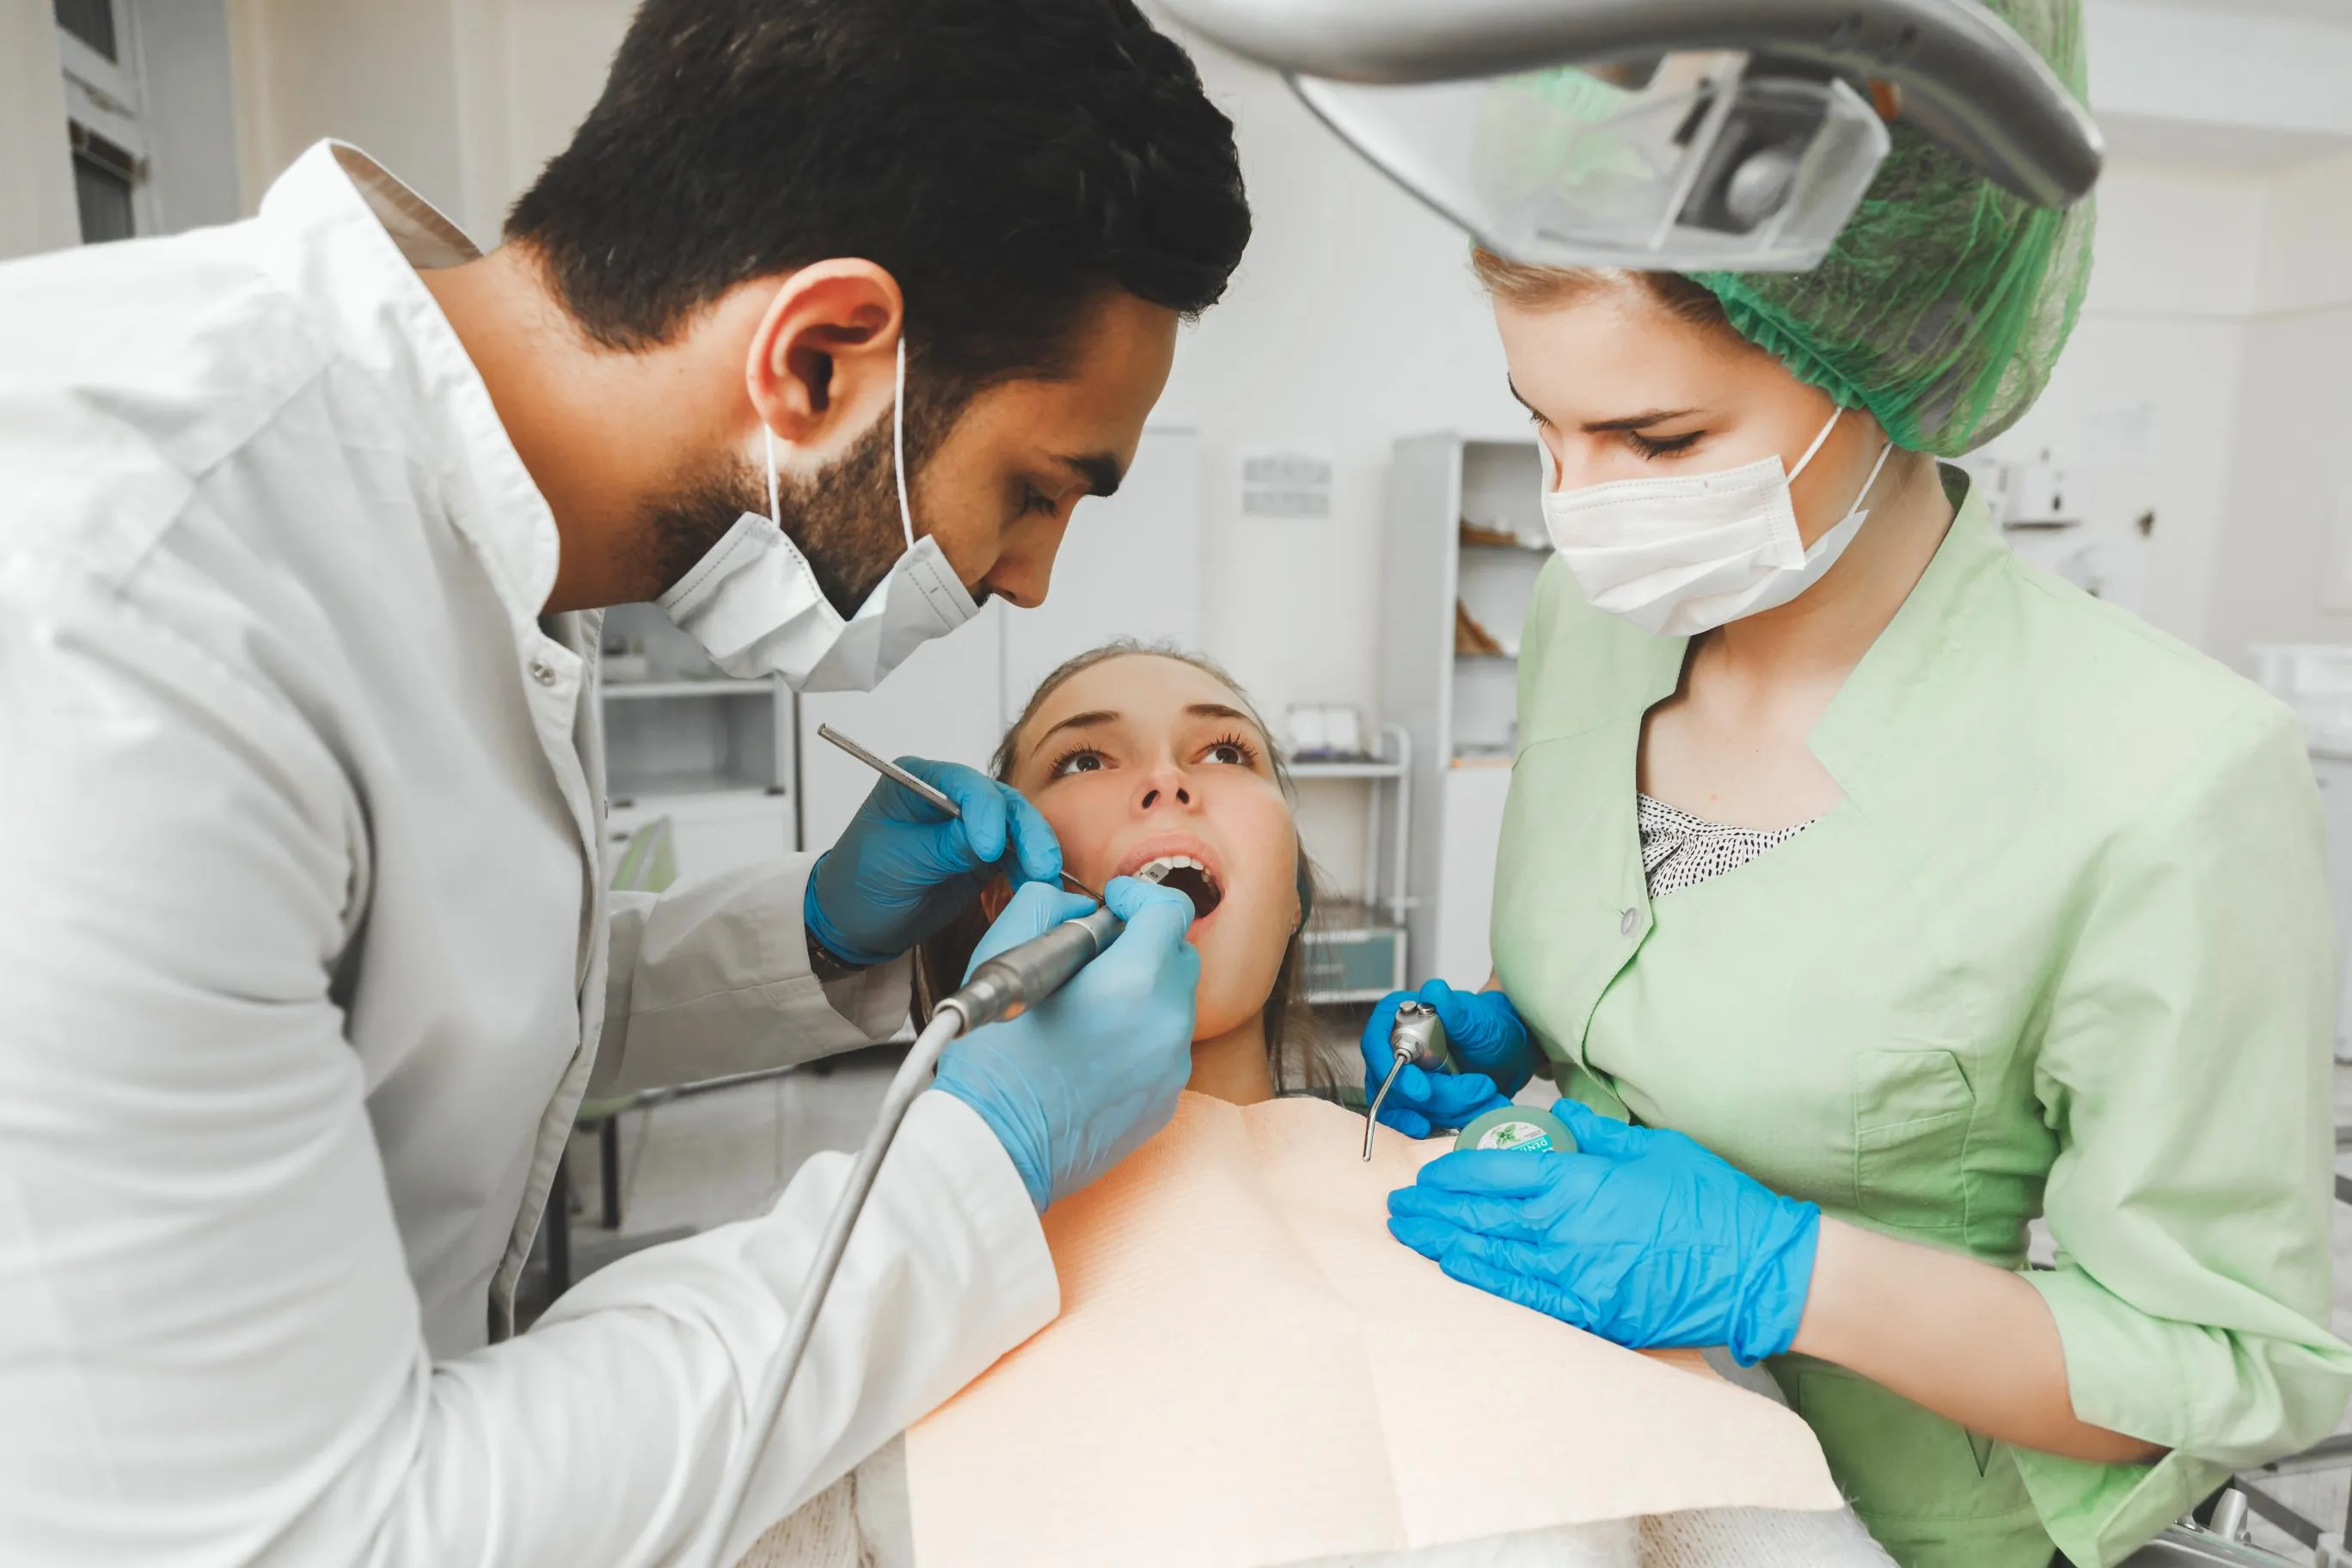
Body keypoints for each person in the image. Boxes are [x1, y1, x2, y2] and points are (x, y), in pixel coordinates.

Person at [0, 3, 1249, 1563]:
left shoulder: (462, 516)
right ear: (817, 360)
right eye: (1034, 489)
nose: (1033, 583)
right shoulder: (121, 615)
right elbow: (318, 1537)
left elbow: (390, 1003)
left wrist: (817, 937)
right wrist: (973, 1171)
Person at [1364, 4, 2352, 1565]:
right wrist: (1516, 1034)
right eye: (1540, 425)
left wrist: (1781, 1270)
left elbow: (2218, 1370)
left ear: (1888, 361)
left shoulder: (2167, 776)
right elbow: (1681, 963)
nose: (1579, 510)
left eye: (1657, 435)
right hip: (1572, 1454)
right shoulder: (1594, 624)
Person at [748, 642, 1896, 1568]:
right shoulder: (882, 1262)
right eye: (1086, 763)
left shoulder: (1525, 1211)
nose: (1169, 778)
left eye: (1226, 752)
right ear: (998, 891)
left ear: (1296, 889)